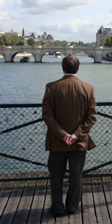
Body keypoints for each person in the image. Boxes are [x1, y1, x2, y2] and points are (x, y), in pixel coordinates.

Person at [42, 54, 97, 215]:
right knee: (76, 176)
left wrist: (62, 134)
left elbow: (47, 115)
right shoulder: (88, 88)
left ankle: (57, 207)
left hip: (57, 141)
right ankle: (72, 206)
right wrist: (75, 135)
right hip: (79, 142)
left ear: (62, 68)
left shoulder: (51, 87)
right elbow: (92, 116)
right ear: (78, 69)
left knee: (56, 176)